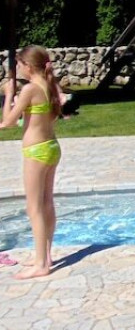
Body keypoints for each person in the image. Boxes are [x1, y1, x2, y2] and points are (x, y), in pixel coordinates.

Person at [1, 46, 62, 279]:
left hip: (36, 151)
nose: (17, 68)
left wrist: (9, 95)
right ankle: (46, 255)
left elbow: (8, 122)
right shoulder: (49, 85)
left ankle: (41, 264)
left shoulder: (30, 89)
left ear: (28, 66)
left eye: (19, 64)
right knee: (47, 203)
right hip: (52, 147)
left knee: (34, 207)